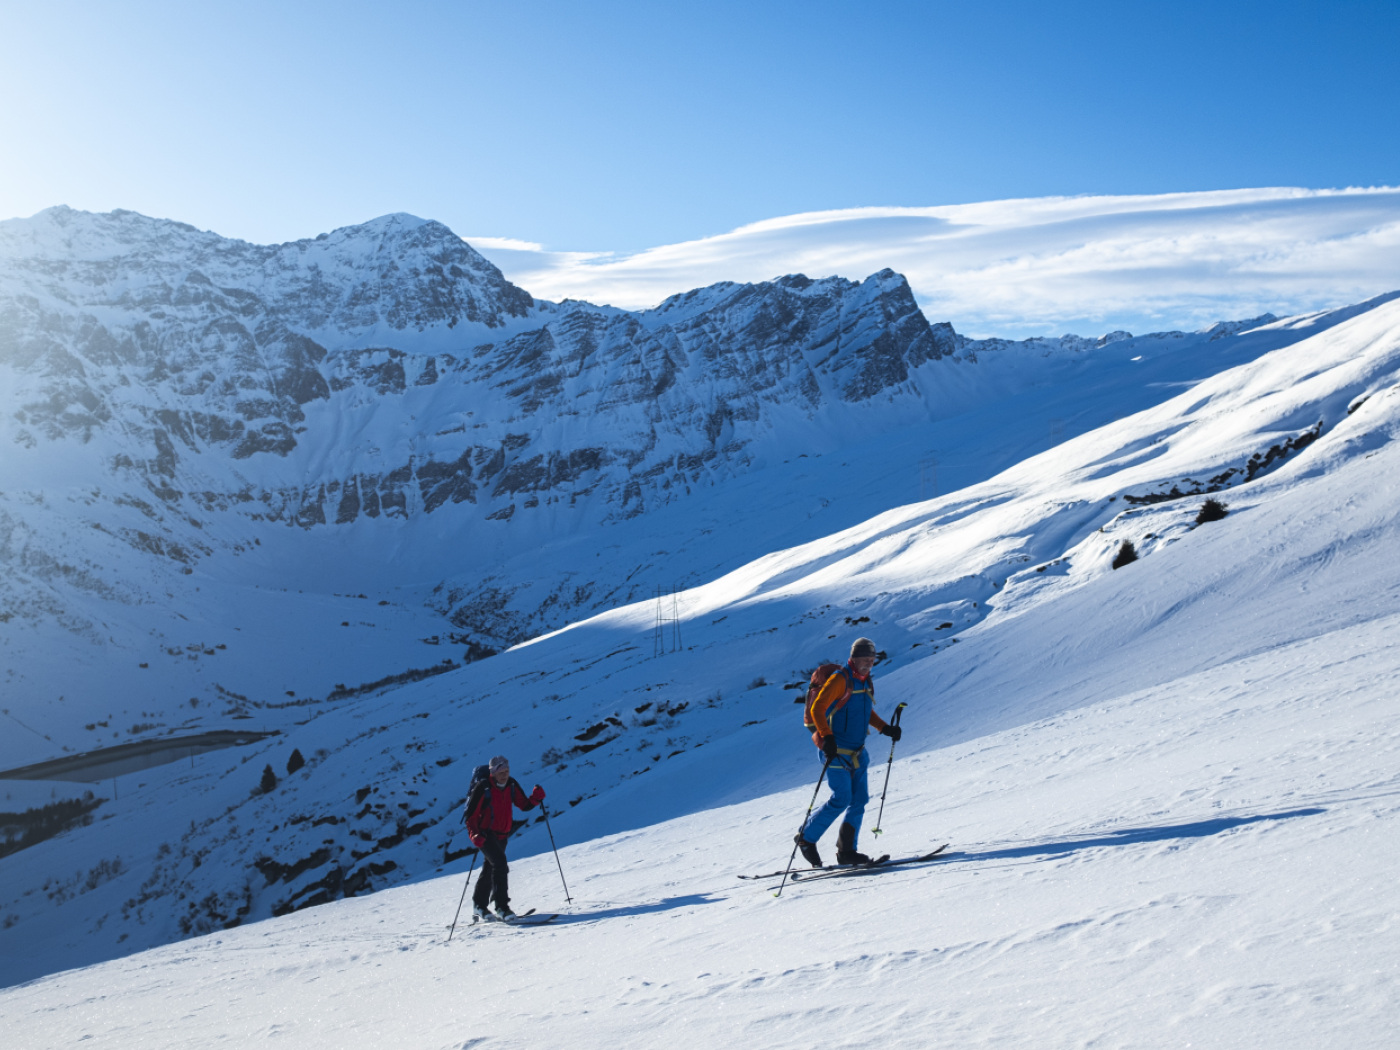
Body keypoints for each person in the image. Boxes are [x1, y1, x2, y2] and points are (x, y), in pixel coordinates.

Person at [794, 637, 900, 866]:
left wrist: (885, 728)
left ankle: (847, 852)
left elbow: (865, 710)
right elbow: (817, 708)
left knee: (859, 799)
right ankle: (806, 838)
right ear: (853, 657)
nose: (868, 664)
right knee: (842, 798)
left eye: (872, 661)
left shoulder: (865, 681)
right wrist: (827, 737)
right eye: (864, 659)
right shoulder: (840, 680)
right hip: (835, 751)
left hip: (858, 751)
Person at [465, 755, 545, 921]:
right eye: (501, 772)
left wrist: (536, 798)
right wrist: (474, 835)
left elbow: (524, 805)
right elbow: (471, 817)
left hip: (503, 834)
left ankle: (479, 905)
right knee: (500, 865)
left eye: (507, 771)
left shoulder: (511, 785)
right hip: (485, 834)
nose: (505, 775)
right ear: (493, 772)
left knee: (490, 868)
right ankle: (502, 907)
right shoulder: (483, 787)